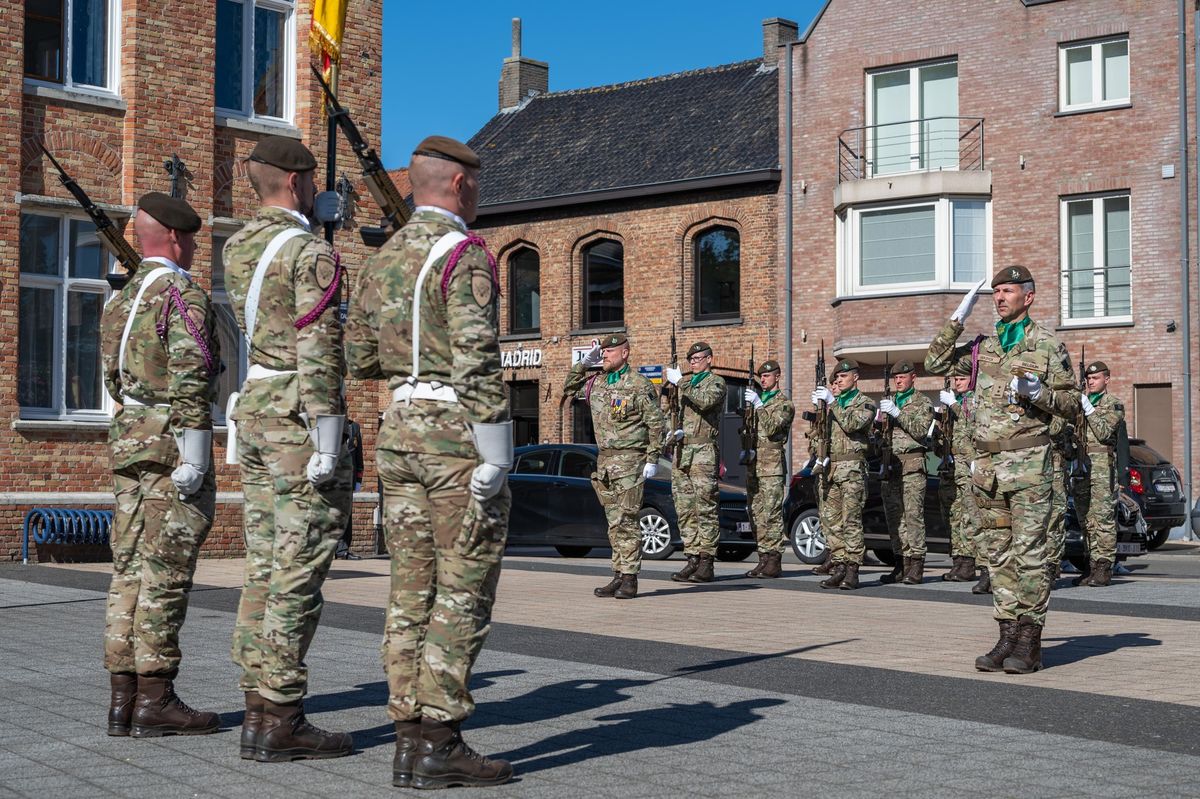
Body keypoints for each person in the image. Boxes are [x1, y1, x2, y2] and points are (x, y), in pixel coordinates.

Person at [345, 135, 514, 789]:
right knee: (463, 588)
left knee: (411, 590)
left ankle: (410, 737)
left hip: (398, 427)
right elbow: (476, 355)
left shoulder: (382, 260)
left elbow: (359, 357)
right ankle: (439, 737)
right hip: (453, 433)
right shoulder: (465, 253)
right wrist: (496, 447)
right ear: (461, 186)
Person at [223, 136, 354, 761]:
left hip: (254, 408)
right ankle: (280, 716)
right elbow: (318, 344)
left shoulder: (238, 244)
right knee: (300, 567)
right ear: (300, 183)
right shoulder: (311, 253)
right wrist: (329, 427)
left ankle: (256, 702)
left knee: (264, 563)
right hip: (297, 418)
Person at [100, 193, 221, 738]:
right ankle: (156, 697)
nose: (194, 247)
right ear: (174, 238)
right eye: (191, 238)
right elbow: (194, 373)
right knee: (165, 572)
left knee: (127, 567)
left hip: (128, 437)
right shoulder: (181, 293)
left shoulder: (120, 301)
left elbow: (111, 379)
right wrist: (196, 450)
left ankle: (122, 699)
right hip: (171, 442)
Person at [926, 266, 1078, 675]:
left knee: (1030, 555)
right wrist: (958, 318)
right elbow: (933, 360)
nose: (999, 297)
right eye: (995, 291)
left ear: (1028, 296)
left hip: (1030, 467)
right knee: (998, 556)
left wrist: (1040, 393)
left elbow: (1071, 405)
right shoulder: (983, 347)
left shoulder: (1046, 344)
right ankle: (1006, 634)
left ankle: (1030, 640)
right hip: (988, 468)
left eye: (1007, 290)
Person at [563, 334, 664, 598]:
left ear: (625, 353)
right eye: (603, 352)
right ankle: (618, 574)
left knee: (628, 520)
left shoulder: (639, 385)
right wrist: (584, 364)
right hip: (606, 463)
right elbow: (568, 388)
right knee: (614, 522)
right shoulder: (597, 384)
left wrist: (652, 459)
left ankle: (630, 578)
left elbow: (656, 424)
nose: (604, 355)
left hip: (631, 462)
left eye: (609, 351)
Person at [810, 359, 875, 590]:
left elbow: (852, 425)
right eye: (836, 378)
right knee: (831, 522)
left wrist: (832, 403)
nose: (838, 381)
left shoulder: (865, 404)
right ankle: (838, 566)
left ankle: (852, 569)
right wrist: (819, 413)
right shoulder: (831, 406)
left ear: (855, 377)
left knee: (851, 522)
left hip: (852, 471)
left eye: (843, 377)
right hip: (830, 470)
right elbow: (818, 437)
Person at [665, 343, 727, 583]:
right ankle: (691, 558)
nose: (693, 362)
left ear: (709, 359)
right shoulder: (685, 384)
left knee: (705, 508)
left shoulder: (716, 382)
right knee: (685, 509)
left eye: (698, 358)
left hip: (703, 452)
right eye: (690, 359)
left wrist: (680, 382)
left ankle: (706, 561)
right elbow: (674, 412)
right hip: (682, 453)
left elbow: (705, 402)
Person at [878, 361, 934, 584]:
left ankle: (917, 563)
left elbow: (920, 431)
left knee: (913, 517)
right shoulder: (890, 402)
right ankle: (901, 563)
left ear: (913, 377)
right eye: (895, 378)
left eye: (902, 377)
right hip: (891, 466)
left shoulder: (922, 402)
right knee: (895, 518)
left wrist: (897, 413)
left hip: (912, 466)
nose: (898, 381)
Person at [1072, 361, 1126, 587]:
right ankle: (1090, 566)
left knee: (1103, 518)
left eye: (1095, 378)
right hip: (1081, 466)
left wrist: (1088, 409)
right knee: (1086, 520)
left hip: (1103, 466)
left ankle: (1103, 567)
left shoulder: (1114, 404)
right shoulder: (1080, 403)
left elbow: (1104, 433)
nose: (1091, 382)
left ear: (1107, 379)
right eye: (1088, 379)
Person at [743, 360, 796, 578]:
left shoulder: (784, 403)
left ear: (777, 376)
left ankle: (775, 559)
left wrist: (758, 406)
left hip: (772, 464)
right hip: (754, 463)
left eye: (767, 376)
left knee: (771, 513)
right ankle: (763, 557)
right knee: (756, 512)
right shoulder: (757, 402)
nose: (763, 380)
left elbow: (772, 427)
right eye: (761, 377)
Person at [937, 361, 986, 588]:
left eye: (961, 378)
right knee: (956, 516)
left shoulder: (974, 400)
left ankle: (979, 564)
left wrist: (954, 405)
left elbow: (973, 426)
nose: (957, 382)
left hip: (970, 464)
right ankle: (961, 561)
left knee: (973, 517)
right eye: (955, 379)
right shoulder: (956, 403)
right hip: (953, 465)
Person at [335, 418, 365, 559]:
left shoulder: (354, 427)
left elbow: (358, 454)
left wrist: (358, 479)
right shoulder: (328, 424)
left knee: (346, 514)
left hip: (348, 477)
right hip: (330, 476)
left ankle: (343, 550)